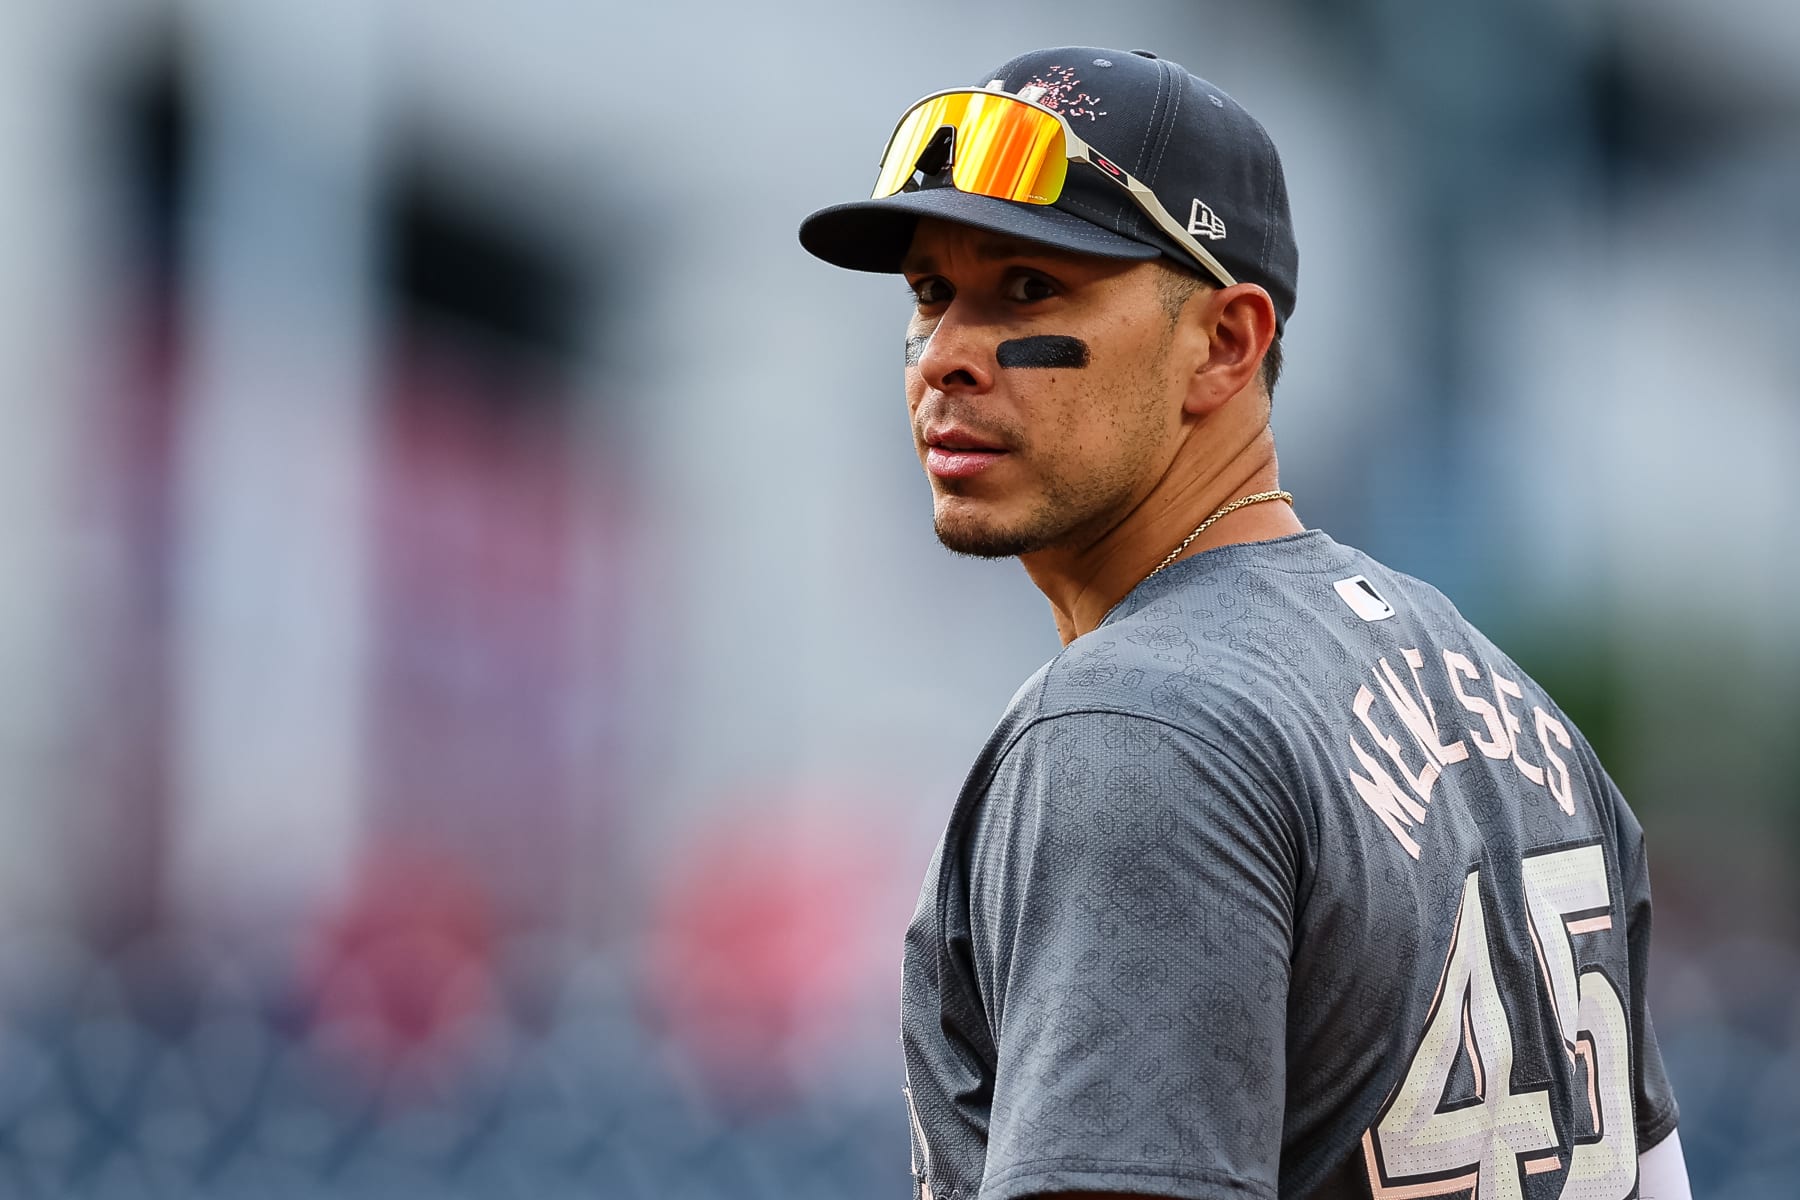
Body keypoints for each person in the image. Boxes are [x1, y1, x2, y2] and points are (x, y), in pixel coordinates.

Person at [799, 45, 1689, 1200]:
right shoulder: (1502, 694)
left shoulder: (1136, 726)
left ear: (1224, 343)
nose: (949, 360)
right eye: (931, 294)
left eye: (1029, 289)